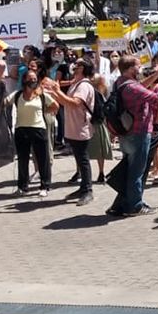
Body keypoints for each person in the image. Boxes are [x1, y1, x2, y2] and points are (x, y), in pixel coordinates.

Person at [108, 55, 158, 217]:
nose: (141, 69)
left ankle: (127, 201)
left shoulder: (121, 82)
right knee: (136, 171)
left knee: (131, 168)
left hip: (126, 133)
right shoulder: (132, 88)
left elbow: (140, 86)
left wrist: (156, 75)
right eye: (138, 66)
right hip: (138, 133)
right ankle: (135, 206)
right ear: (131, 68)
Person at [43, 59, 97, 206]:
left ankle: (88, 190)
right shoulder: (76, 83)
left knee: (83, 159)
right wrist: (54, 91)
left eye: (78, 65)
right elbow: (65, 102)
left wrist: (57, 90)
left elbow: (74, 103)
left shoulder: (84, 85)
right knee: (80, 159)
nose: (74, 66)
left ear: (83, 68)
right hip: (73, 127)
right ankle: (83, 188)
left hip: (81, 127)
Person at [6, 70, 59, 197]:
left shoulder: (42, 95)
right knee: (23, 160)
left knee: (43, 159)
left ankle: (45, 186)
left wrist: (44, 110)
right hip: (21, 129)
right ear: (24, 80)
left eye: (35, 78)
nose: (33, 81)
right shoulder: (18, 95)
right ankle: (22, 187)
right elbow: (4, 102)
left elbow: (55, 106)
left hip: (38, 129)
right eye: (30, 78)